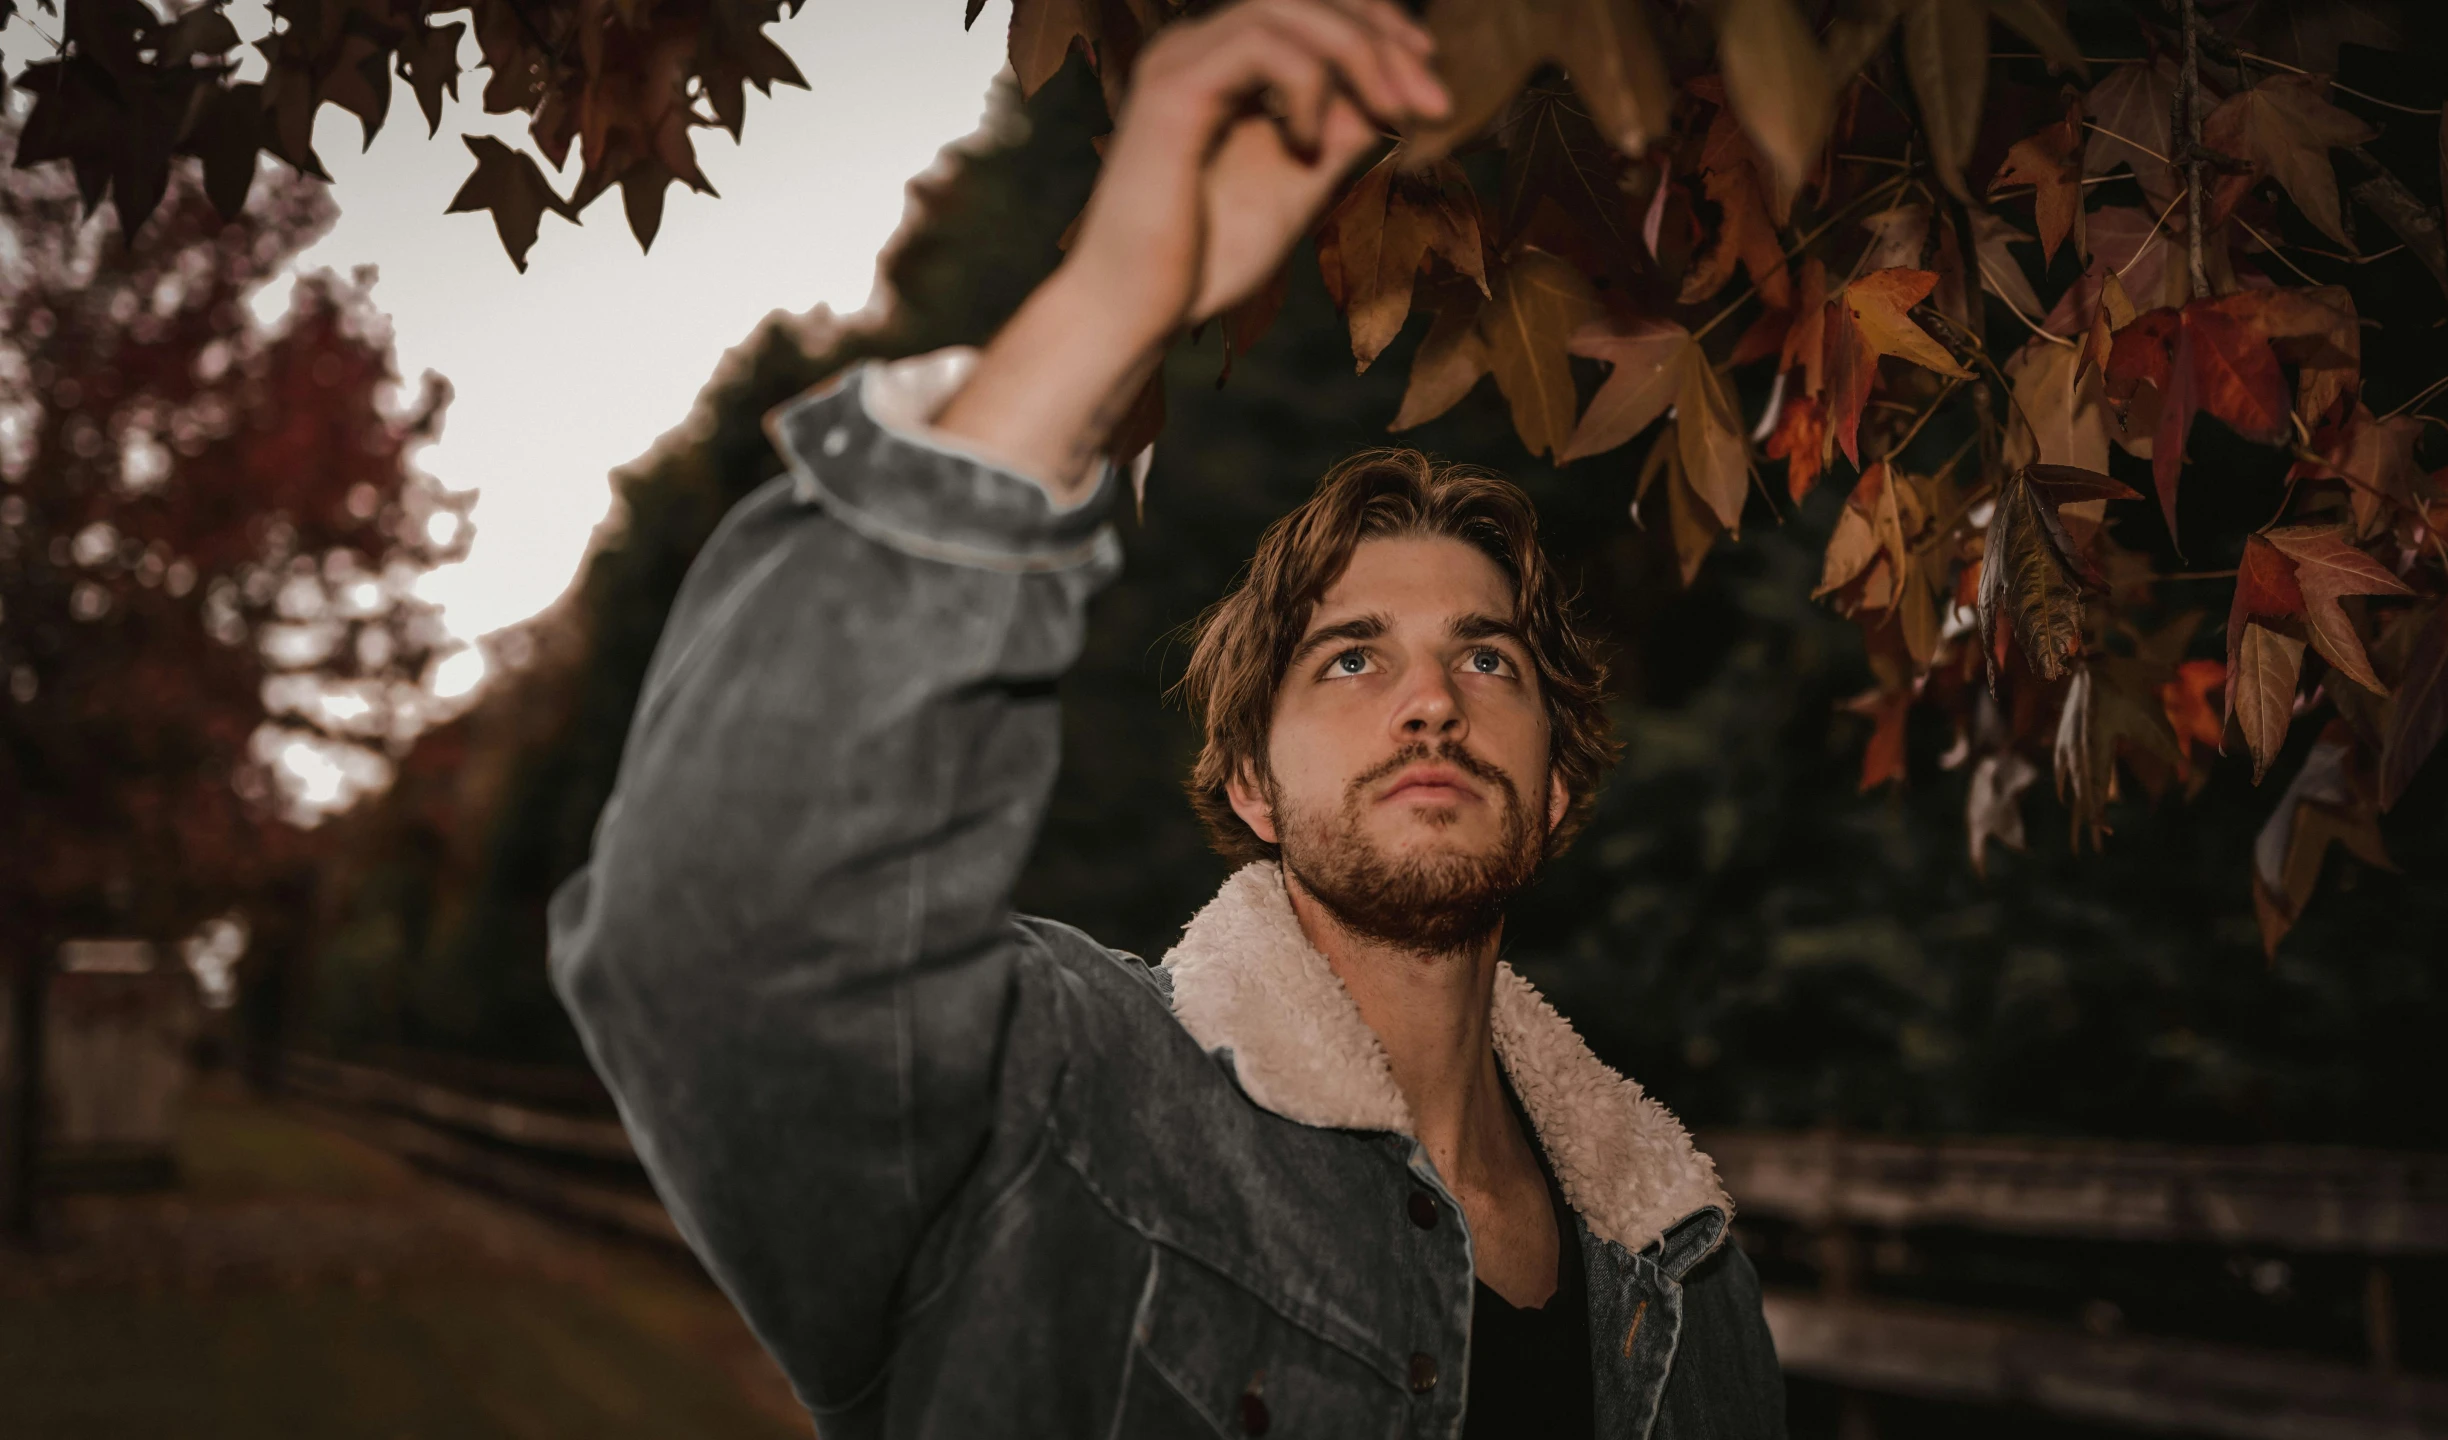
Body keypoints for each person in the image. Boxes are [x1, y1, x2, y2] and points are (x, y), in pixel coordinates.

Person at [548, 1, 1785, 1435]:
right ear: (1249, 786)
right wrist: (1106, 306)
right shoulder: (1070, 1101)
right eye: (1349, 661)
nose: (1434, 700)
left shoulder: (1689, 1291)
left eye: (1488, 661)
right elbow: (713, 943)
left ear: (1559, 789)